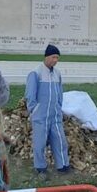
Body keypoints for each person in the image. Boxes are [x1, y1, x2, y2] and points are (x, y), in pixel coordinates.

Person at [26, 44, 70, 175]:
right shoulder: (36, 73)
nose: (55, 60)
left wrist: (59, 106)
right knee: (39, 144)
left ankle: (63, 165)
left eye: (57, 57)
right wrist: (34, 110)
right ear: (46, 57)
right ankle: (40, 168)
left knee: (60, 140)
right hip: (40, 115)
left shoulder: (57, 73)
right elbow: (30, 95)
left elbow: (60, 92)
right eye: (53, 57)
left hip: (55, 115)